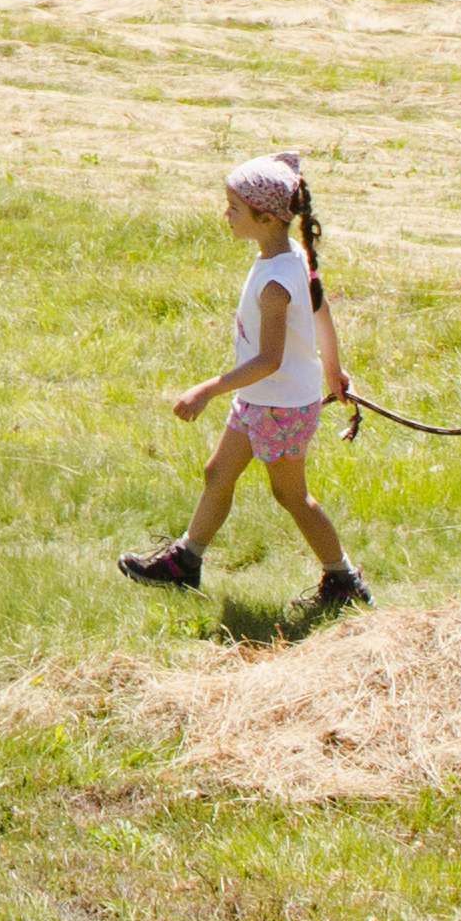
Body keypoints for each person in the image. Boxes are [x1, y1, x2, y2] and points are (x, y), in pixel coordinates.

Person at [118, 149, 367, 612]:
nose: (225, 214)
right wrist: (332, 370)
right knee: (218, 473)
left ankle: (343, 578)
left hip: (279, 403)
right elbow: (321, 310)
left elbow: (269, 358)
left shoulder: (277, 278)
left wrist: (208, 389)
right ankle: (185, 562)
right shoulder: (290, 256)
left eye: (234, 207)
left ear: (267, 216)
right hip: (263, 399)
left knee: (291, 495)